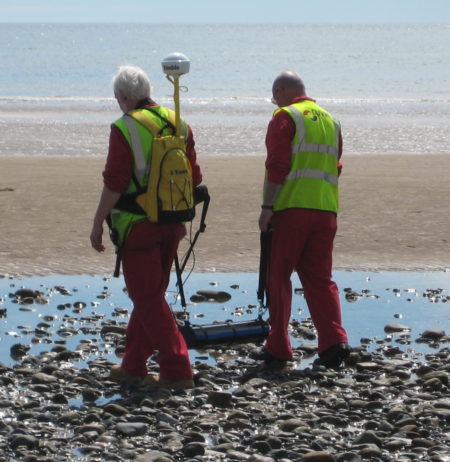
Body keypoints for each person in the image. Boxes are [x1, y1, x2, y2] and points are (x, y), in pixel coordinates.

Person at [90, 65, 202, 389]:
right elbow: (195, 177)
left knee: (149, 298)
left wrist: (97, 222)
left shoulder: (124, 127)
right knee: (150, 295)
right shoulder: (178, 121)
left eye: (116, 98)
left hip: (138, 225)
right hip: (173, 222)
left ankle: (177, 371)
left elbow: (115, 182)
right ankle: (133, 365)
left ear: (124, 97)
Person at [256, 70, 350, 369]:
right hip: (325, 209)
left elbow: (277, 166)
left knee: (278, 276)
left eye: (274, 98)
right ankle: (334, 342)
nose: (274, 103)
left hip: (290, 208)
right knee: (320, 279)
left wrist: (267, 206)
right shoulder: (330, 120)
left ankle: (279, 345)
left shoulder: (285, 117)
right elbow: (335, 166)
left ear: (282, 91)